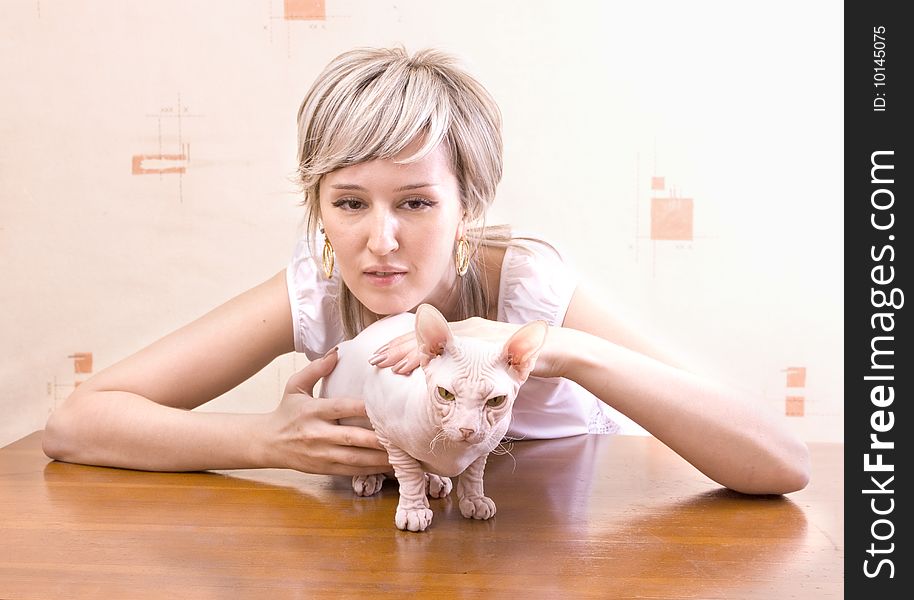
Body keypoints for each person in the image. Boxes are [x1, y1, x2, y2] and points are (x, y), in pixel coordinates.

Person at [42, 46, 810, 495]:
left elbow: (779, 463)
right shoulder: (316, 292)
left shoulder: (527, 283)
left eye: (414, 203)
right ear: (318, 208)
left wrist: (561, 349)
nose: (380, 241)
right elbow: (77, 421)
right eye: (349, 203)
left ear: (467, 206)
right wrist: (266, 443)